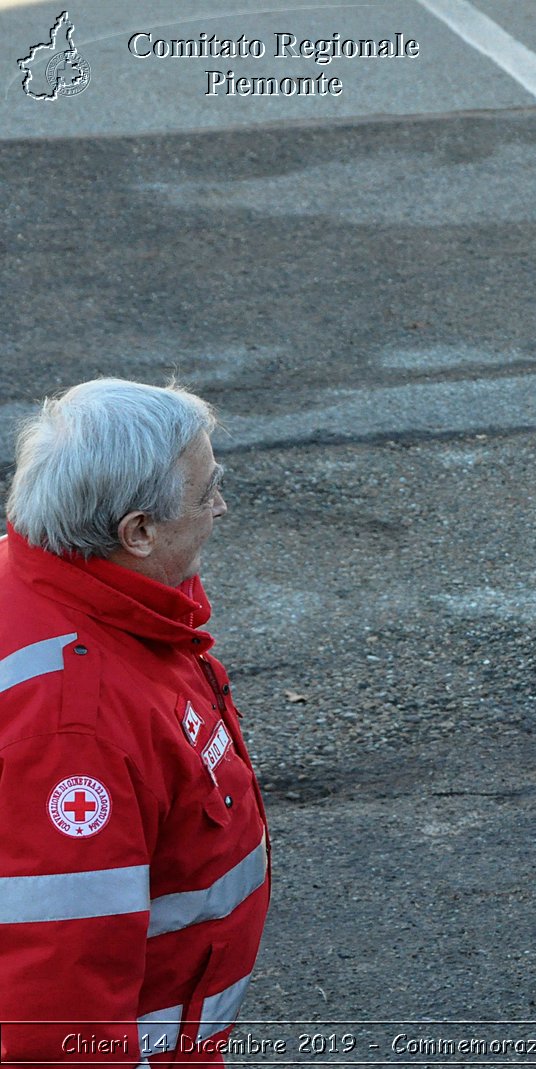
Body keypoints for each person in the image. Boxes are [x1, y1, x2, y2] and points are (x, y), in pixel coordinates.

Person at [0, 379, 269, 1065]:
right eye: (205, 492)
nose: (221, 506)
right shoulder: (73, 728)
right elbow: (58, 1012)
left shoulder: (65, 594)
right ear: (138, 532)